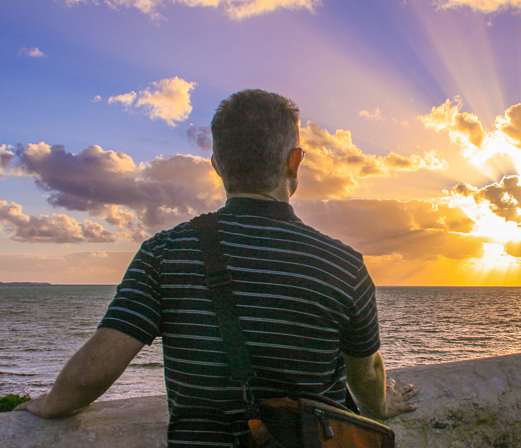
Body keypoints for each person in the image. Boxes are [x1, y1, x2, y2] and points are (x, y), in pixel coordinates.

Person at [15, 89, 418, 446]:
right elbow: (366, 372)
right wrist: (382, 403)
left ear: (218, 166)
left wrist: (48, 404)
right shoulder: (343, 264)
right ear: (295, 161)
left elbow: (92, 372)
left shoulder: (166, 252)